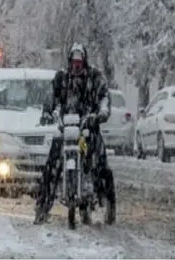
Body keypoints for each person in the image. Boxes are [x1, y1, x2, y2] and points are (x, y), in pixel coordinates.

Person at [34, 42, 116, 224]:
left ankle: (105, 199)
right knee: (52, 164)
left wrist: (100, 113)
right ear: (70, 61)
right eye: (74, 62)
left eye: (79, 63)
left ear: (84, 61)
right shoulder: (62, 77)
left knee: (100, 160)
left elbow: (104, 97)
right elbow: (51, 97)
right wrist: (48, 111)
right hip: (66, 130)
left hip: (87, 129)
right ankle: (43, 205)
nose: (76, 66)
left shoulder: (94, 77)